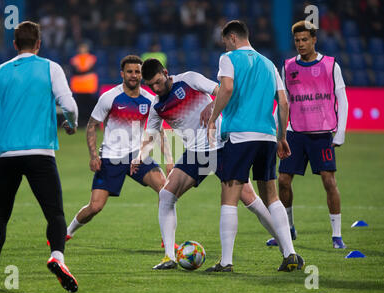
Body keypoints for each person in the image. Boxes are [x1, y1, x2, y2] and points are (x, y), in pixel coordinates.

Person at [132, 58, 290, 271]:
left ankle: (287, 251)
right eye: (150, 85)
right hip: (197, 154)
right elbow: (150, 135)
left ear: (166, 73)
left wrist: (211, 105)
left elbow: (221, 91)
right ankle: (169, 256)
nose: (156, 88)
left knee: (251, 200)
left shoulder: (189, 80)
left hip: (222, 146)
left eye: (158, 82)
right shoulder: (156, 105)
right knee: (166, 195)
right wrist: (139, 156)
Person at [0, 21, 79, 292]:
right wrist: (72, 124)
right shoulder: (51, 68)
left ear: (14, 44)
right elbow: (70, 105)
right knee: (55, 215)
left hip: (7, 155)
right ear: (39, 44)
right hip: (41, 153)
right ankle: (57, 257)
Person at [207, 20, 304, 272]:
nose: (224, 45)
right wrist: (282, 136)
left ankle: (226, 262)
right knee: (271, 196)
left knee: (229, 195)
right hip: (267, 137)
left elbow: (226, 88)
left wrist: (211, 117)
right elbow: (284, 103)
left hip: (239, 135)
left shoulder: (228, 58)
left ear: (231, 38)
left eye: (225, 41)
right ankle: (290, 254)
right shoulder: (269, 64)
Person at [65, 55, 174, 243]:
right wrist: (93, 156)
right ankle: (68, 232)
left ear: (142, 74)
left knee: (165, 190)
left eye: (137, 72)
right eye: (130, 72)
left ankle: (167, 238)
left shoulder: (150, 99)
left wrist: (169, 160)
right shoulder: (110, 97)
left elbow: (158, 131)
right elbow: (91, 126)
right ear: (122, 74)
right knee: (95, 206)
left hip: (137, 155)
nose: (134, 75)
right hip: (111, 156)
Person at [266, 21, 349, 249]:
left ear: (314, 40)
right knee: (283, 180)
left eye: (305, 40)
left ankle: (337, 235)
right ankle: (288, 230)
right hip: (295, 132)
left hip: (322, 132)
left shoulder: (331, 66)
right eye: (297, 40)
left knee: (328, 181)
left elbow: (342, 99)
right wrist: (277, 132)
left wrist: (339, 132)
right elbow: (285, 102)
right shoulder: (288, 66)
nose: (301, 44)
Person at [69, 42, 99, 127]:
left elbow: (80, 71)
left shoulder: (91, 58)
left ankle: (91, 123)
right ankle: (81, 123)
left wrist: (81, 72)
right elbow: (75, 71)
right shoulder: (75, 59)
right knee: (80, 107)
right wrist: (84, 72)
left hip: (89, 87)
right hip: (78, 87)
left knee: (90, 107)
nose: (82, 50)